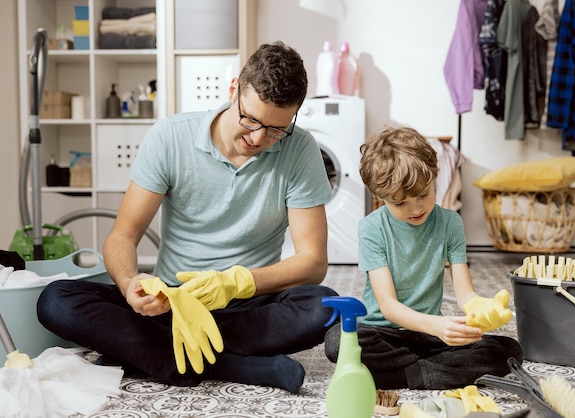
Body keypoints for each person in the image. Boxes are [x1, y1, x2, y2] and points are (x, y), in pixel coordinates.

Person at [37, 41, 338, 394]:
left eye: (276, 129)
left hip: (248, 304)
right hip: (171, 303)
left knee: (324, 304)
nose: (259, 138)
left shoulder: (300, 150)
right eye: (251, 119)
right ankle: (232, 365)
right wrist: (130, 284)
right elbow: (123, 235)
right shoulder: (170, 136)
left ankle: (147, 355)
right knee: (56, 300)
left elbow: (313, 262)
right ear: (232, 91)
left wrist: (234, 282)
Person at [324, 126, 523, 390]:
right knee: (338, 340)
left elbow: (465, 294)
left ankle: (400, 374)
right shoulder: (372, 228)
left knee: (509, 350)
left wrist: (479, 308)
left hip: (429, 336)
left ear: (434, 179)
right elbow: (388, 305)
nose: (416, 208)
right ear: (380, 197)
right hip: (383, 333)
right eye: (400, 203)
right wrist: (438, 325)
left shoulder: (450, 222)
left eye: (423, 195)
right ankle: (425, 374)